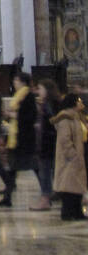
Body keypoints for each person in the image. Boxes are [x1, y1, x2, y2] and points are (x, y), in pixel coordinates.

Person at [0, 71, 37, 209]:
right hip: (17, 137)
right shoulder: (18, 96)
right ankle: (7, 197)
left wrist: (13, 114)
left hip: (24, 138)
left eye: (16, 80)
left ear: (23, 82)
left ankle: (47, 193)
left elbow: (30, 116)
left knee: (35, 167)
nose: (14, 82)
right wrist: (9, 115)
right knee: (12, 169)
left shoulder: (28, 96)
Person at [51, 93, 88, 221]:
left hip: (78, 156)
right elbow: (65, 139)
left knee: (77, 186)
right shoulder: (65, 118)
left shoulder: (77, 116)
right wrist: (72, 154)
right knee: (69, 187)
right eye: (78, 101)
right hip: (70, 159)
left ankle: (77, 212)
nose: (81, 103)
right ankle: (67, 212)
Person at [31, 79, 61, 211]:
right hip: (49, 143)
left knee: (45, 173)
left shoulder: (49, 105)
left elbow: (53, 123)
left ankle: (45, 199)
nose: (38, 92)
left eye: (40, 89)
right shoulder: (50, 103)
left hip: (47, 143)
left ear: (47, 90)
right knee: (50, 172)